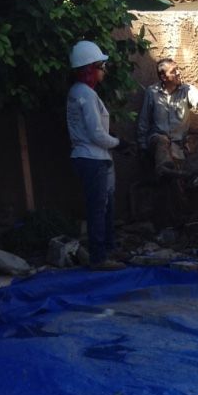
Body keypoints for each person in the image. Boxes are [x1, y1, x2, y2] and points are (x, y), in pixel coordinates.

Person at [67, 40, 126, 271]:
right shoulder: (85, 94)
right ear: (90, 68)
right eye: (101, 66)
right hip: (92, 157)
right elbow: (96, 134)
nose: (104, 70)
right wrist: (119, 143)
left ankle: (107, 249)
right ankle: (99, 258)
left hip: (95, 157)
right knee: (98, 208)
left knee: (105, 205)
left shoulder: (81, 92)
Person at [137, 58, 198, 178]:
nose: (178, 73)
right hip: (156, 143)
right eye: (173, 71)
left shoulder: (186, 90)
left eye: (178, 69)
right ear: (163, 77)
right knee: (161, 140)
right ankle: (165, 170)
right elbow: (143, 122)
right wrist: (142, 147)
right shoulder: (152, 92)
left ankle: (174, 177)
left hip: (179, 145)